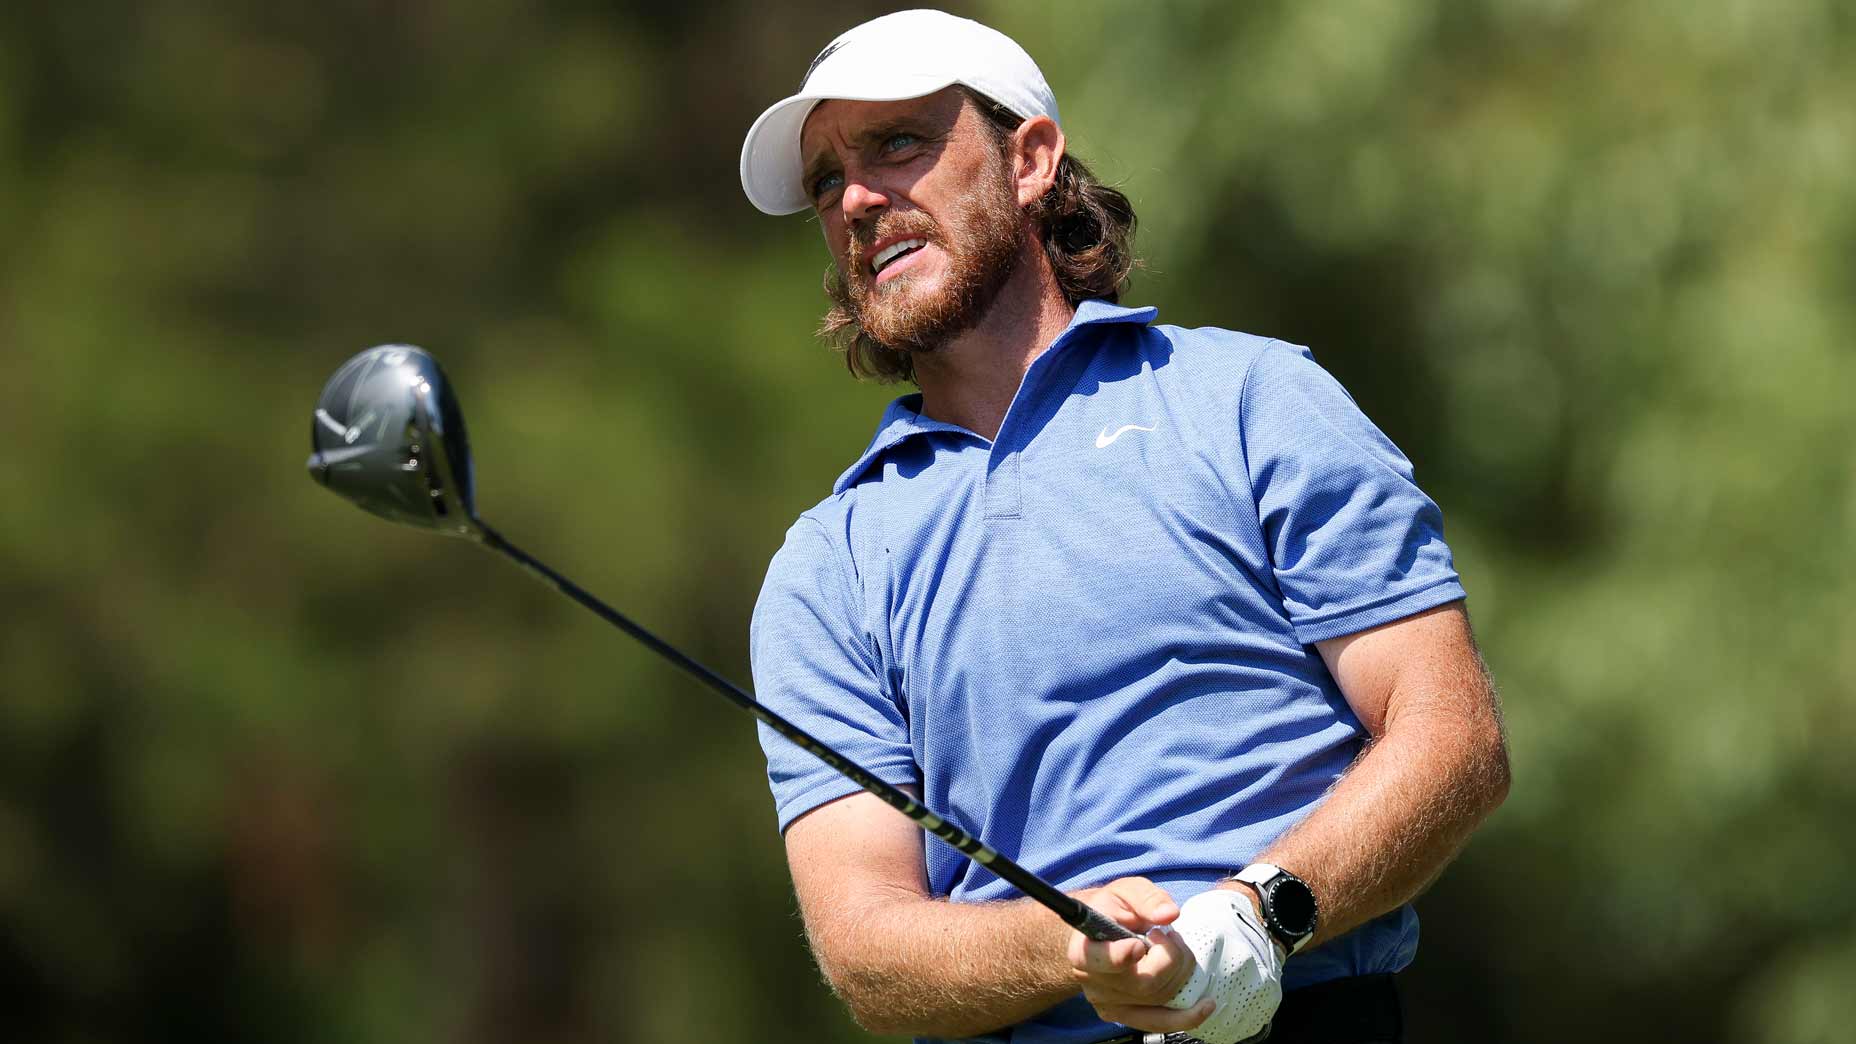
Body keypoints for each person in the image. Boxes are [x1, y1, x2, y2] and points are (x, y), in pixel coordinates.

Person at [739, 11, 1509, 1044]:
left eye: (897, 144)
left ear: (1028, 159)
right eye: (828, 181)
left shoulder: (1251, 401)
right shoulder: (824, 571)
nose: (858, 201)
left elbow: (1451, 735)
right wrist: (1069, 943)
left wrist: (1255, 918)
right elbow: (868, 954)